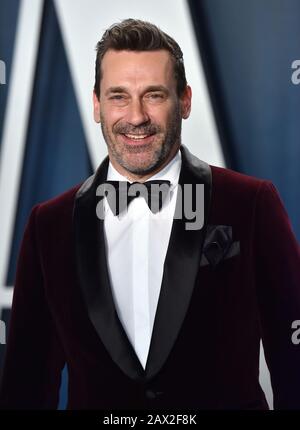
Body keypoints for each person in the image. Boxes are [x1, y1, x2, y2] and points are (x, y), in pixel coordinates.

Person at [0, 18, 300, 411]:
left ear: (185, 100)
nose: (136, 116)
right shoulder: (49, 225)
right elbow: (26, 384)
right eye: (118, 96)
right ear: (97, 105)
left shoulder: (250, 204)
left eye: (154, 95)